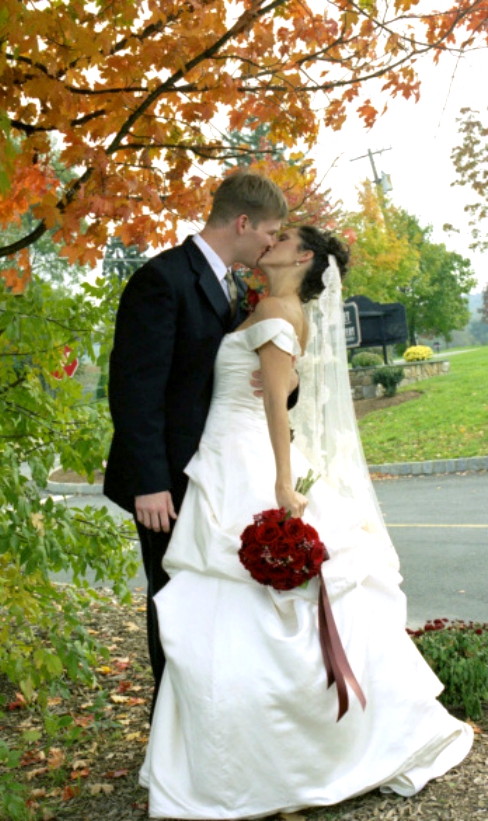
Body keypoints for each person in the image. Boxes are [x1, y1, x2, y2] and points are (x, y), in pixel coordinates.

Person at [139, 225, 473, 819]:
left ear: (304, 256)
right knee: (244, 608)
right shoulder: (280, 308)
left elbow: (274, 403)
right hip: (230, 447)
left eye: (285, 236)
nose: (272, 239)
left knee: (240, 607)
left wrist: (280, 481)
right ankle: (277, 754)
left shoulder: (272, 306)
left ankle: (262, 764)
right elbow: (283, 386)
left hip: (246, 455)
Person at [104, 171, 293, 700]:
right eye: (270, 232)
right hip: (166, 482)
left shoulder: (231, 284)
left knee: (211, 602)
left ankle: (211, 721)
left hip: (213, 468)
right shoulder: (162, 279)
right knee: (174, 601)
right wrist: (149, 482)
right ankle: (173, 732)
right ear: (242, 222)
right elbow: (134, 388)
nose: (271, 243)